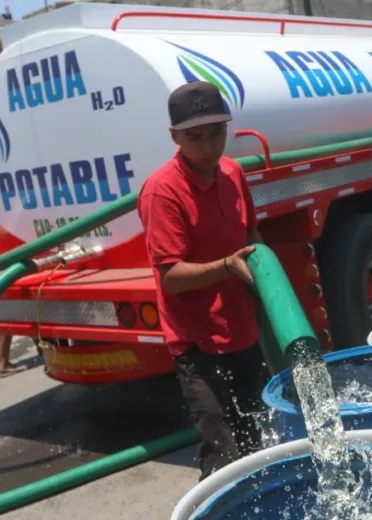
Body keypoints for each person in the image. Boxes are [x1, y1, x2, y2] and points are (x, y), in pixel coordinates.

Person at [137, 81, 268, 481]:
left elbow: (252, 238)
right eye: (195, 137)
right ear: (174, 136)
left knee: (259, 438)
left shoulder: (232, 172)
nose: (209, 147)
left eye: (217, 134)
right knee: (223, 452)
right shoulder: (163, 191)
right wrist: (228, 266)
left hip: (243, 330)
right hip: (199, 344)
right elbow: (171, 277)